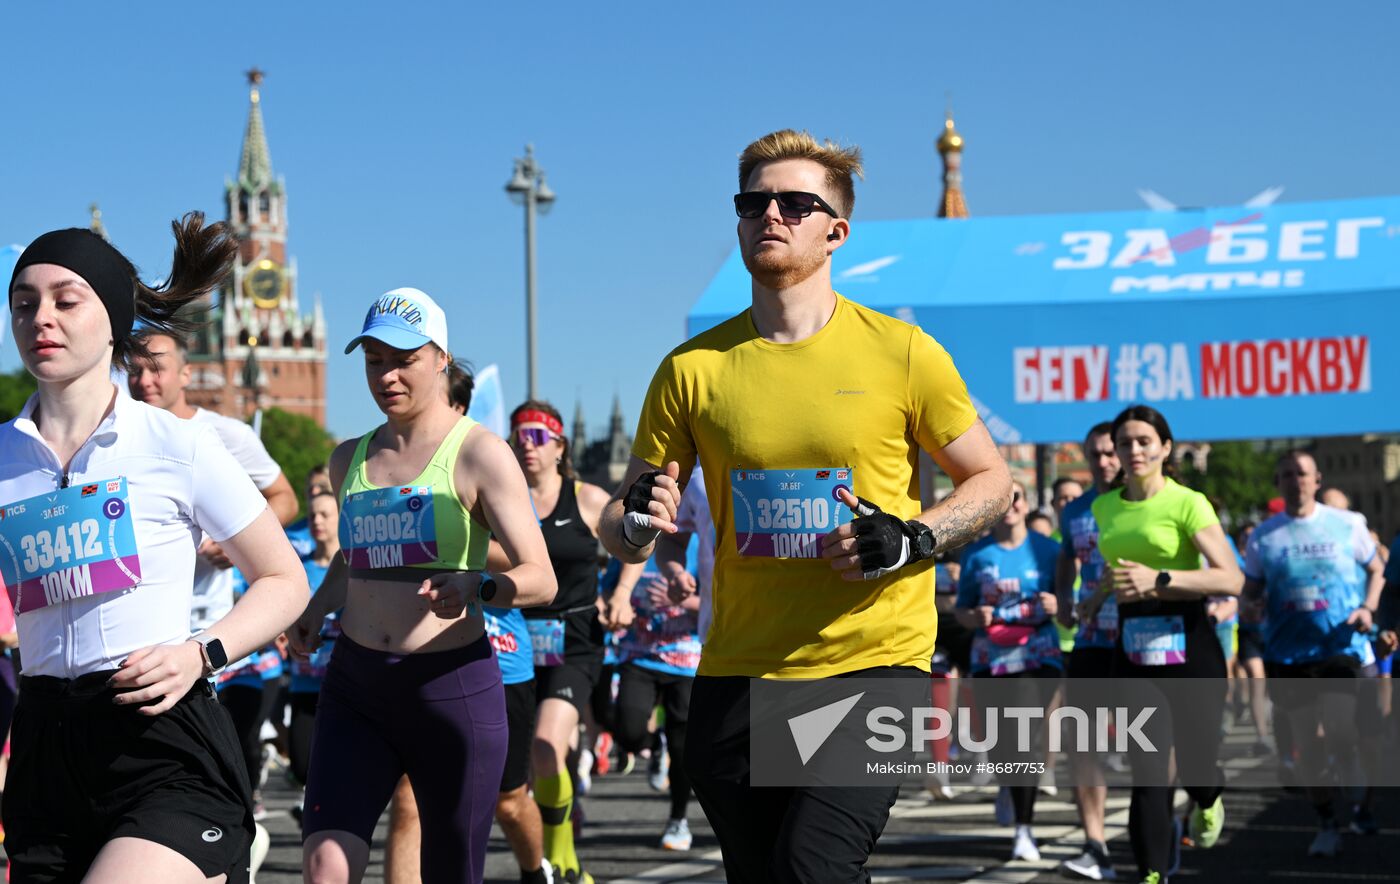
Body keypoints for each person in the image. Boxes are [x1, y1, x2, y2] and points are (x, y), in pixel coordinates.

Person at [599, 128, 1012, 883]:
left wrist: (911, 537)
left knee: (812, 868)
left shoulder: (903, 352)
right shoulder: (692, 369)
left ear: (836, 231)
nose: (771, 216)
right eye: (753, 202)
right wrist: (633, 522)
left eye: (795, 203)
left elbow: (992, 481)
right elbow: (624, 523)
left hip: (872, 663)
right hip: (740, 670)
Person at [1, 216, 309, 882]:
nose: (40, 318)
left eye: (64, 299)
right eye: (23, 303)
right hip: (45, 745)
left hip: (158, 738)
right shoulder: (2, 457)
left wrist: (202, 652)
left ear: (111, 319)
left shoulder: (179, 445)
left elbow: (285, 579)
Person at [289, 288, 556, 884]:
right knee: (324, 865)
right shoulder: (347, 460)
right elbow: (354, 560)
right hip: (356, 686)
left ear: (441, 359)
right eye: (374, 360)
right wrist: (315, 610)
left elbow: (540, 577)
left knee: (450, 872)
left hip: (450, 688)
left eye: (403, 358)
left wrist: (477, 587)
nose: (387, 375)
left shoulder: (480, 454)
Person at [384, 361, 555, 884]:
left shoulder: (485, 466)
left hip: (500, 661)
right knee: (409, 801)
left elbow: (531, 565)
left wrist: (466, 561)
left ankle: (534, 870)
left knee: (507, 802)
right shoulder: (406, 474)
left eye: (452, 408)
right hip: (424, 663)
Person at [129, 328, 300, 821]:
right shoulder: (112, 435)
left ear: (186, 373)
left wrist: (229, 541)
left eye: (157, 366)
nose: (144, 380)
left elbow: (285, 499)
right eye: (134, 369)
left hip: (215, 631)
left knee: (227, 755)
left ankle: (233, 841)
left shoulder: (225, 435)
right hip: (146, 636)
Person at [1089, 405, 1242, 884]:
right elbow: (1117, 571)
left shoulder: (1187, 503)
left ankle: (1208, 796)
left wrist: (1159, 579)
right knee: (1148, 775)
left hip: (1190, 645)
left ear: (1165, 447)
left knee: (1195, 766)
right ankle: (1152, 876)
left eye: (1143, 441)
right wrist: (1092, 601)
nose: (1133, 450)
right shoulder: (1104, 507)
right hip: (1133, 650)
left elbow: (1231, 579)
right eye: (1125, 442)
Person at [510, 399, 644, 884]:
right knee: (531, 760)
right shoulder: (500, 499)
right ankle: (553, 833)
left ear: (560, 445)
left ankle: (563, 860)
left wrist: (623, 594)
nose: (527, 446)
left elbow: (635, 540)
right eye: (519, 436)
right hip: (513, 641)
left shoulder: (587, 498)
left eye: (537, 437)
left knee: (546, 745)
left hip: (575, 639)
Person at [1242, 451, 1384, 857]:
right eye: (1286, 475)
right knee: (1306, 744)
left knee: (1340, 729)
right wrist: (1250, 606)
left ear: (1317, 479)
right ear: (1278, 482)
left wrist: (1368, 608)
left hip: (1339, 645)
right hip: (1288, 653)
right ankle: (1326, 820)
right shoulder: (1264, 536)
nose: (1295, 481)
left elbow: (1376, 569)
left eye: (1302, 473)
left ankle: (1350, 763)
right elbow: (1251, 590)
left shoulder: (1346, 525)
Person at [955, 481, 1063, 862]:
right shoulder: (977, 554)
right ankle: (1008, 785)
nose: (1011, 504)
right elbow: (961, 609)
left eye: (1017, 497)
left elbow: (1072, 600)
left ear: (1027, 503)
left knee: (1023, 736)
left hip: (1039, 654)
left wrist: (1058, 603)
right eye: (1004, 497)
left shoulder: (1049, 550)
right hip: (991, 658)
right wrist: (974, 616)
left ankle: (1024, 829)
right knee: (1003, 744)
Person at [1056, 421, 1122, 882]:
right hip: (1091, 640)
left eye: (1109, 452)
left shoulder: (1147, 501)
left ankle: (1162, 823)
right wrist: (1063, 598)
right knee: (1083, 745)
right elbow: (1066, 558)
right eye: (1094, 454)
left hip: (1143, 639)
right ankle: (1094, 844)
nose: (1102, 461)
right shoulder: (1075, 510)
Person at [615, 567, 703, 852]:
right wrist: (612, 603)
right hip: (640, 656)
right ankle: (655, 745)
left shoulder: (701, 542)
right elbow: (611, 589)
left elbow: (721, 601)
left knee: (683, 749)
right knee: (628, 731)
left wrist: (680, 600)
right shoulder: (633, 539)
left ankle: (678, 819)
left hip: (687, 658)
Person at [286, 486, 340, 823]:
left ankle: (332, 822)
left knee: (340, 763)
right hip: (305, 681)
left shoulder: (353, 570)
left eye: (325, 514)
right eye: (312, 515)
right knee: (303, 765)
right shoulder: (297, 568)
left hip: (344, 683)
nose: (317, 521)